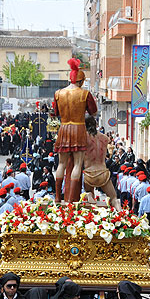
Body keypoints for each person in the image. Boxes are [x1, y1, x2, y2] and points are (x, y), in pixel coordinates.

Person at [53, 58, 97, 203]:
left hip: (64, 128)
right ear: (82, 80)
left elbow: (55, 112)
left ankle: (58, 198)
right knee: (77, 164)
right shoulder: (85, 94)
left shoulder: (59, 93)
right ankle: (71, 199)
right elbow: (93, 111)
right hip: (78, 128)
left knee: (61, 164)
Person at [81, 117, 120, 208]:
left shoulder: (83, 137)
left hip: (89, 173)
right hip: (103, 172)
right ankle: (121, 213)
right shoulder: (105, 138)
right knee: (114, 198)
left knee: (89, 194)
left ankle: (88, 195)